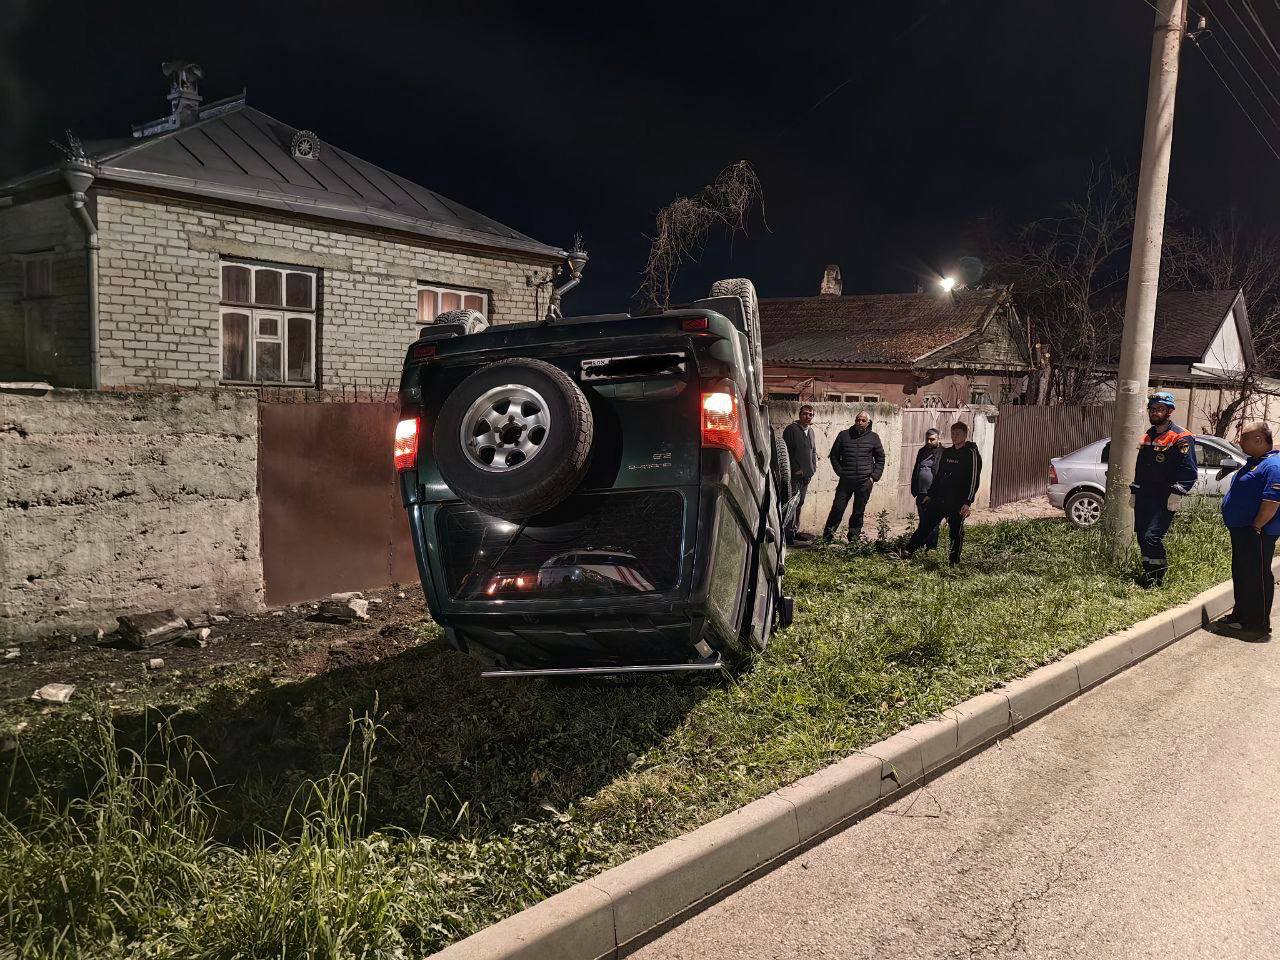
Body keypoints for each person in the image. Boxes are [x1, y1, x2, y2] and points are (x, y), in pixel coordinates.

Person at [1218, 421, 1280, 636]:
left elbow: (1272, 502)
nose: (1239, 441)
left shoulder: (1273, 465)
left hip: (1257, 532)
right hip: (1242, 530)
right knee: (1243, 574)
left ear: (1259, 440)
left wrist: (1256, 526)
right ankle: (1241, 615)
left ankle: (1257, 624)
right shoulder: (1255, 461)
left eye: (1243, 437)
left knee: (1257, 577)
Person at [1130, 391, 1197, 587]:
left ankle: (1158, 579)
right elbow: (1140, 469)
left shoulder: (1181, 437)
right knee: (1142, 537)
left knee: (1152, 537)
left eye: (1160, 409)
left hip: (1164, 499)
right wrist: (1134, 491)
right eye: (1152, 409)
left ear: (1169, 412)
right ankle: (1148, 576)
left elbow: (1189, 470)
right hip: (1144, 497)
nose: (1155, 412)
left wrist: (1177, 494)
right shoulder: (1148, 436)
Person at [905, 420, 982, 565]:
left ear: (965, 435)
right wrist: (930, 494)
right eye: (953, 433)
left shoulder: (971, 454)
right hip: (940, 498)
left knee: (956, 532)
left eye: (958, 433)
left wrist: (967, 502)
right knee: (926, 524)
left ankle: (954, 562)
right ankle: (908, 551)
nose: (955, 436)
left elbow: (973, 479)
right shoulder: (947, 453)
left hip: (958, 501)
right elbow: (939, 476)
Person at [822, 410, 885, 542]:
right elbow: (834, 455)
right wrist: (840, 472)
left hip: (864, 482)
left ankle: (853, 540)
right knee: (837, 508)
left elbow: (880, 458)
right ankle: (826, 538)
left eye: (863, 420)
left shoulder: (874, 437)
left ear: (868, 423)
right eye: (858, 420)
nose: (860, 422)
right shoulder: (844, 435)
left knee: (858, 511)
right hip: (846, 481)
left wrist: (873, 477)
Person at [782, 405, 818, 545]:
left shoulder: (811, 432)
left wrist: (812, 469)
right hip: (794, 475)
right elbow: (787, 452)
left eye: (810, 414)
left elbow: (813, 452)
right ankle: (787, 533)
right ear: (799, 414)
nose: (807, 417)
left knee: (800, 503)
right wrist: (796, 469)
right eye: (805, 414)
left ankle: (794, 531)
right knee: (792, 502)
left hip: (807, 475)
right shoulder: (791, 430)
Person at [910, 428, 944, 551]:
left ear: (939, 438)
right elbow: (916, 470)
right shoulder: (922, 451)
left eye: (932, 439)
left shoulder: (943, 453)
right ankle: (921, 546)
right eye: (927, 439)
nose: (929, 442)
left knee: (933, 523)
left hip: (934, 494)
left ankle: (931, 549)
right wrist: (914, 488)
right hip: (921, 492)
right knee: (923, 521)